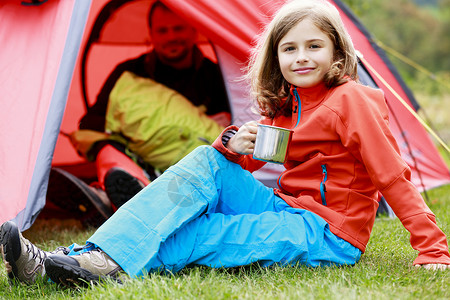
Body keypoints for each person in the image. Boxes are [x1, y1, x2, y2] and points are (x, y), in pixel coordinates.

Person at [2, 0, 448, 288]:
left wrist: (432, 249)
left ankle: (86, 266)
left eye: (315, 46)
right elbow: (242, 167)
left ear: (337, 52)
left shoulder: (352, 99)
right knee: (204, 160)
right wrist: (236, 146)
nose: (302, 57)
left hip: (328, 234)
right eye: (289, 49)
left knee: (199, 234)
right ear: (276, 57)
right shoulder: (287, 104)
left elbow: (391, 173)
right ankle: (73, 259)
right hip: (285, 207)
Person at [46, 1, 231, 225]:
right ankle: (129, 190)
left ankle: (107, 200)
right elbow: (90, 126)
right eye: (163, 30)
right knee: (103, 146)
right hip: (137, 157)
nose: (171, 37)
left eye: (178, 29)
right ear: (151, 34)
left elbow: (237, 128)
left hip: (189, 160)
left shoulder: (216, 75)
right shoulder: (128, 74)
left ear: (194, 31)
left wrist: (223, 121)